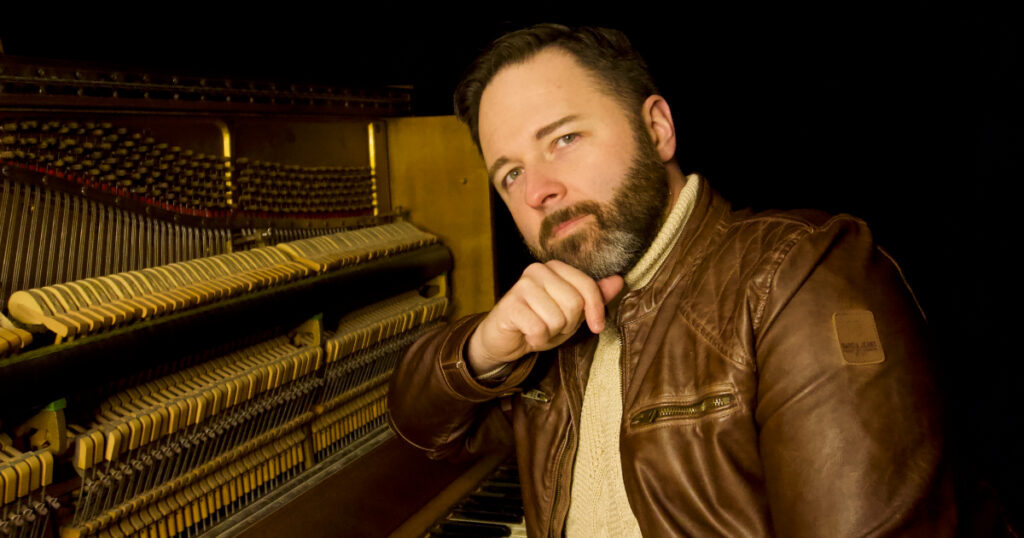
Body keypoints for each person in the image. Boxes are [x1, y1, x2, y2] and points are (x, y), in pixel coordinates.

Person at [388, 24, 958, 536]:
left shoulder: (800, 276)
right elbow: (422, 427)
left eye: (564, 140)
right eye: (511, 174)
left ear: (657, 129)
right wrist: (482, 350)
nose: (539, 191)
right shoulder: (557, 311)